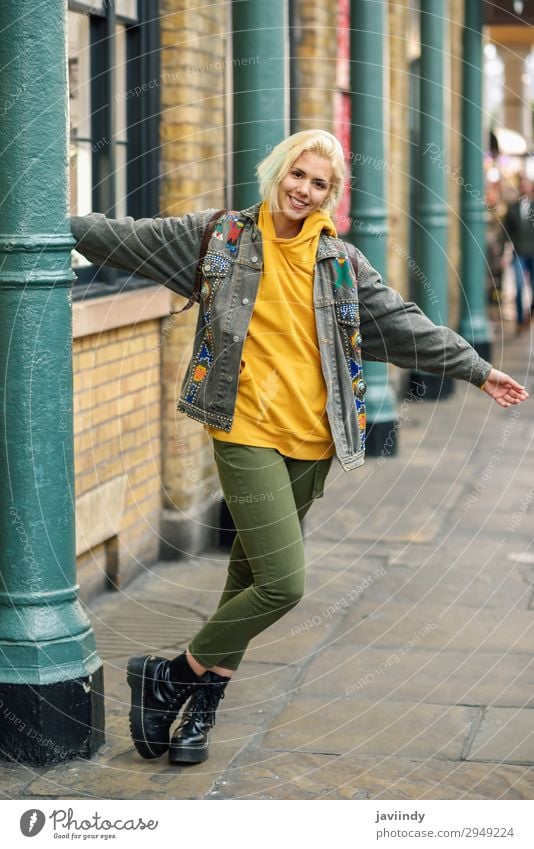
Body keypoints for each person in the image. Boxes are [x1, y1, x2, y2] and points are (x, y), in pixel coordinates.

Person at [70, 129, 528, 766]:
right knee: (284, 584)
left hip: (313, 440)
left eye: (320, 184)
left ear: (332, 196)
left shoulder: (340, 264)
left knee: (249, 576)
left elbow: (403, 326)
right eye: (299, 175)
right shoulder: (220, 238)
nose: (304, 191)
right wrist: (47, 219)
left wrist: (477, 369)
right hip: (243, 430)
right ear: (278, 171)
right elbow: (122, 238)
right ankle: (168, 674)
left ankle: (197, 708)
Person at [502, 175, 534, 330]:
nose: (524, 188)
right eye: (522, 185)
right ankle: (520, 320)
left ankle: (530, 314)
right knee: (519, 286)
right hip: (519, 253)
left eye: (526, 185)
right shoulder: (513, 207)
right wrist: (504, 253)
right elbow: (506, 232)